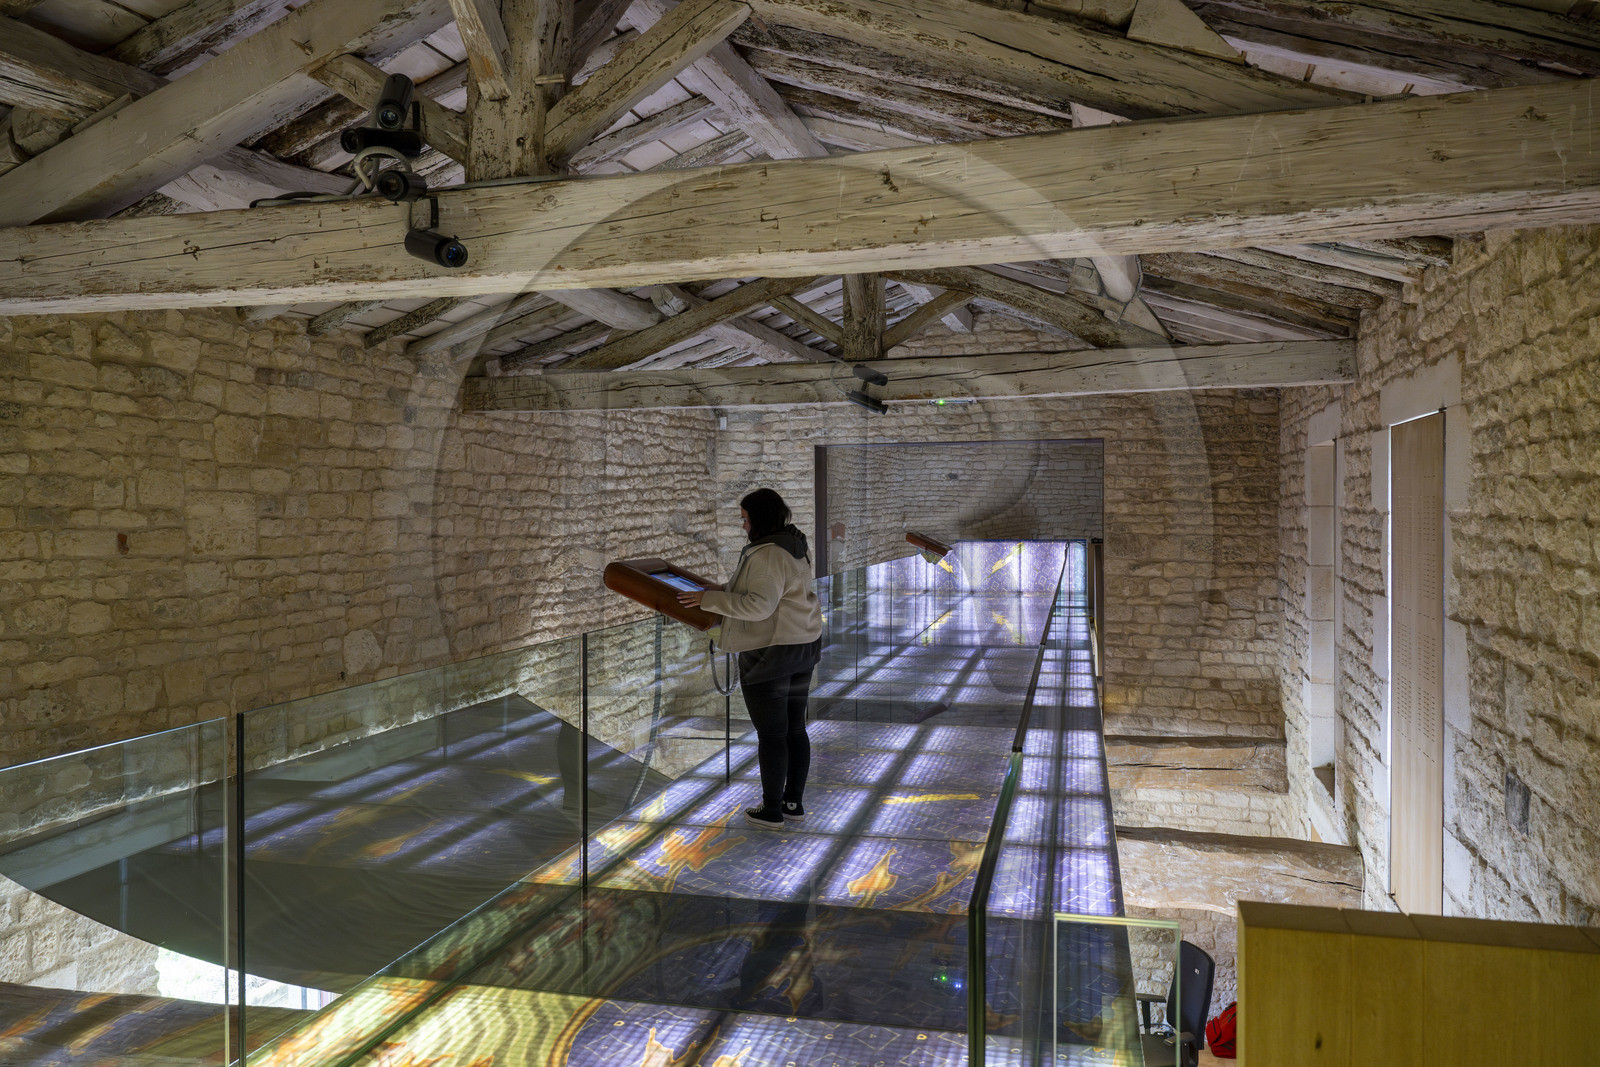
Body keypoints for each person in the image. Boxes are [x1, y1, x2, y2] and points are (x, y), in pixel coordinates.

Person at [677, 488, 823, 828]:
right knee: (795, 730)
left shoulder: (768, 554)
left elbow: (759, 605)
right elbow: (769, 593)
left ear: (760, 518)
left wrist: (708, 601)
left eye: (745, 519)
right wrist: (711, 593)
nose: (743, 526)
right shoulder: (793, 544)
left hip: (771, 651)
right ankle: (792, 803)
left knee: (773, 735)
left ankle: (771, 810)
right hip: (803, 644)